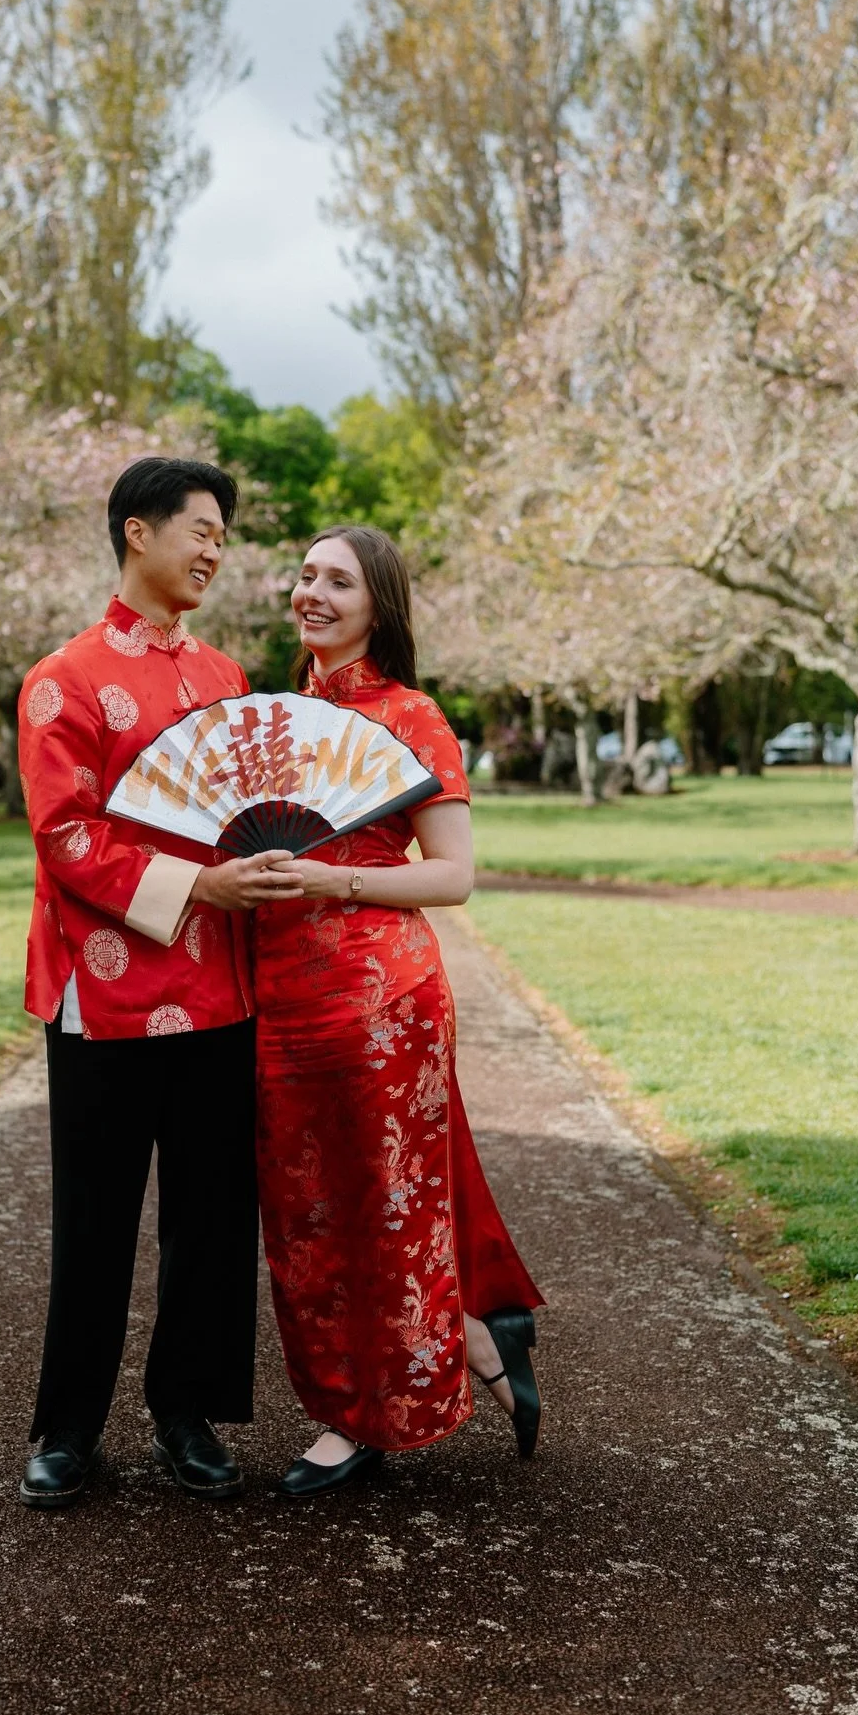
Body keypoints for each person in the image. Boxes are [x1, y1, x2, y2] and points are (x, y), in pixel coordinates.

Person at [15, 456, 303, 1510]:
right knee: (94, 1217)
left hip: (220, 987)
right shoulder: (63, 679)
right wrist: (200, 885)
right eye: (201, 530)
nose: (215, 551)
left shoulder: (227, 677)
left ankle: (188, 1412)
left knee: (212, 1216)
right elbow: (66, 836)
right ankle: (68, 1428)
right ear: (138, 532)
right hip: (104, 993)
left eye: (224, 536)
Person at [256, 525, 545, 1499]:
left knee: (385, 1204)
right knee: (304, 1216)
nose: (314, 593)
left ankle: (362, 1418)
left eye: (339, 581)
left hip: (384, 997)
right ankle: (476, 1336)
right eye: (306, 575)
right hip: (279, 997)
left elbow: (454, 875)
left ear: (378, 606)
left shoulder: (410, 715)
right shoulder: (275, 719)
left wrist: (333, 880)